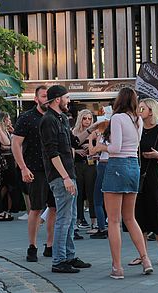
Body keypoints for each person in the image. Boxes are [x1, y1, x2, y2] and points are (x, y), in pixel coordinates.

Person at [93, 88, 153, 279]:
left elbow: (115, 148)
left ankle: (117, 267)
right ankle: (145, 259)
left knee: (114, 220)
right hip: (133, 165)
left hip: (117, 165)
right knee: (130, 217)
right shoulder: (138, 120)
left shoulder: (118, 118)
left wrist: (100, 146)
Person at [39, 85, 92, 273]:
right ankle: (59, 260)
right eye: (67, 97)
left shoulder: (61, 118)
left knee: (70, 218)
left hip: (69, 174)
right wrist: (66, 177)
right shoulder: (48, 120)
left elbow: (74, 141)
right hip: (61, 177)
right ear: (57, 99)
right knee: (63, 218)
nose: (69, 101)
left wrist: (93, 128)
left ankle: (69, 256)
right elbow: (52, 152)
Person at [11, 85, 57, 262]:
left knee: (54, 208)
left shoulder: (56, 116)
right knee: (36, 209)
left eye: (49, 96)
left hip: (54, 170)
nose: (46, 99)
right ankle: (32, 246)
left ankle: (50, 245)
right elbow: (16, 144)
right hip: (35, 169)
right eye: (44, 96)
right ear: (36, 98)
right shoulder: (27, 118)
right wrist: (23, 167)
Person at [131, 98, 158, 266]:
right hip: (135, 172)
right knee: (138, 214)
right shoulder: (135, 129)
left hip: (152, 173)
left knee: (156, 211)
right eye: (138, 108)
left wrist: (157, 156)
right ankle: (143, 255)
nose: (139, 110)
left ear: (151, 111)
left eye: (142, 108)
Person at [72, 109, 97, 232]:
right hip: (77, 164)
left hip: (91, 164)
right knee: (79, 194)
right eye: (84, 118)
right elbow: (69, 147)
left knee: (91, 193)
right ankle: (79, 219)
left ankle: (94, 221)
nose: (87, 121)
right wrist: (76, 151)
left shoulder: (95, 132)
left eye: (89, 118)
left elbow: (101, 147)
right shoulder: (74, 131)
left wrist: (91, 145)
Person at [0, 112, 21, 215]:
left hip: (10, 158)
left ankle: (11, 207)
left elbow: (15, 143)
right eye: (9, 119)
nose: (10, 121)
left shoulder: (7, 131)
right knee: (5, 185)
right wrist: (10, 146)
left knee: (11, 185)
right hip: (4, 159)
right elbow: (3, 146)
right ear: (4, 120)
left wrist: (13, 132)